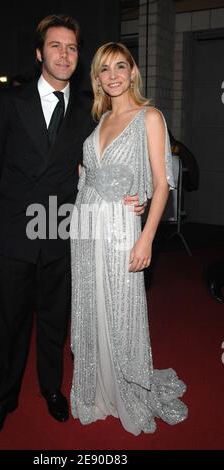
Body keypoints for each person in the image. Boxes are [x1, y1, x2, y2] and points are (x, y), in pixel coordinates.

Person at [0, 16, 144, 442]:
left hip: (65, 233)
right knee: (11, 322)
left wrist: (134, 194)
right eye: (56, 46)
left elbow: (110, 159)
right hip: (14, 233)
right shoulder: (10, 103)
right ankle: (3, 400)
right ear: (39, 53)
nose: (65, 54)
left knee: (54, 321)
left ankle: (52, 389)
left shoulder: (91, 108)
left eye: (71, 47)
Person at [70, 42, 188, 435]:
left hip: (122, 229)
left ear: (133, 71)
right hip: (86, 230)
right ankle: (97, 386)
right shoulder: (100, 121)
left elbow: (162, 182)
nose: (114, 75)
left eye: (121, 66)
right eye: (105, 69)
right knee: (92, 306)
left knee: (121, 311)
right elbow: (88, 175)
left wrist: (147, 237)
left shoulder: (149, 116)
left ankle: (127, 388)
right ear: (97, 79)